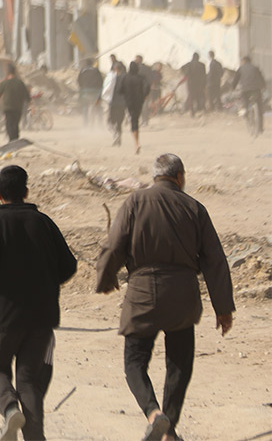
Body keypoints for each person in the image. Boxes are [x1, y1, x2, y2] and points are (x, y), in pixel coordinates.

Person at [96, 154, 235, 441]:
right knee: (180, 364)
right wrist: (223, 308)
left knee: (134, 362)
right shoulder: (195, 208)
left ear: (155, 176)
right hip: (183, 296)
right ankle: (169, 432)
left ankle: (153, 413)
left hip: (143, 292)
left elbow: (114, 246)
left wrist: (106, 279)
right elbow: (215, 261)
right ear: (180, 177)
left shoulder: (135, 202)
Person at [0, 165, 78, 441]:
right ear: (26, 191)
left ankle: (9, 408)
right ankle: (35, 437)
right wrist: (45, 284)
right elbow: (68, 265)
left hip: (3, 315)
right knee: (30, 378)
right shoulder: (43, 223)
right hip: (41, 316)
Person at [120, 62, 152, 154]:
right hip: (139, 101)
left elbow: (120, 90)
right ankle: (136, 142)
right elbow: (147, 87)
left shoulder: (125, 77)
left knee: (133, 120)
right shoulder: (141, 77)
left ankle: (136, 143)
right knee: (136, 120)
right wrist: (144, 96)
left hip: (129, 102)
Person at [0, 65, 30, 143]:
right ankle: (15, 141)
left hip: (8, 109)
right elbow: (27, 96)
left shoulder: (4, 83)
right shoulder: (20, 83)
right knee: (15, 126)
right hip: (18, 109)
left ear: (7, 73)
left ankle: (11, 142)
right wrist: (32, 106)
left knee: (9, 126)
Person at [235, 56, 266, 134]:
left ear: (244, 61)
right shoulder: (255, 68)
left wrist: (233, 87)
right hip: (256, 89)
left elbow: (235, 80)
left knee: (244, 100)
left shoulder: (241, 68)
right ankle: (260, 129)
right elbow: (261, 78)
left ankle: (244, 110)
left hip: (245, 90)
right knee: (259, 107)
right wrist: (263, 87)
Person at [77, 59, 104, 126]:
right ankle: (100, 123)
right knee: (98, 107)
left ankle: (85, 123)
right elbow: (101, 81)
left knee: (85, 107)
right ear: (92, 64)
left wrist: (82, 88)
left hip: (85, 91)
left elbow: (79, 81)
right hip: (96, 91)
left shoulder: (82, 70)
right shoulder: (96, 70)